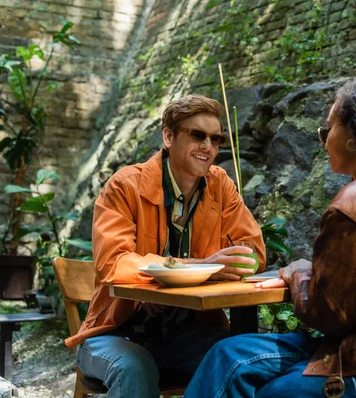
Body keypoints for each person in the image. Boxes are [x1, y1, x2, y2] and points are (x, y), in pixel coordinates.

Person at [183, 74, 356, 398]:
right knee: (228, 355)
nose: (324, 141)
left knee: (265, 388)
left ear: (355, 133)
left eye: (328, 130)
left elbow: (329, 314)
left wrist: (298, 272)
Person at [66, 94, 266, 398]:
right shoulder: (125, 185)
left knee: (244, 357)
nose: (208, 147)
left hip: (186, 334)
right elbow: (114, 264)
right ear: (168, 136)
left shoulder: (220, 185)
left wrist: (231, 262)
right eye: (197, 135)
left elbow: (253, 252)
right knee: (133, 367)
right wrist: (196, 269)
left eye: (216, 139)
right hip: (115, 332)